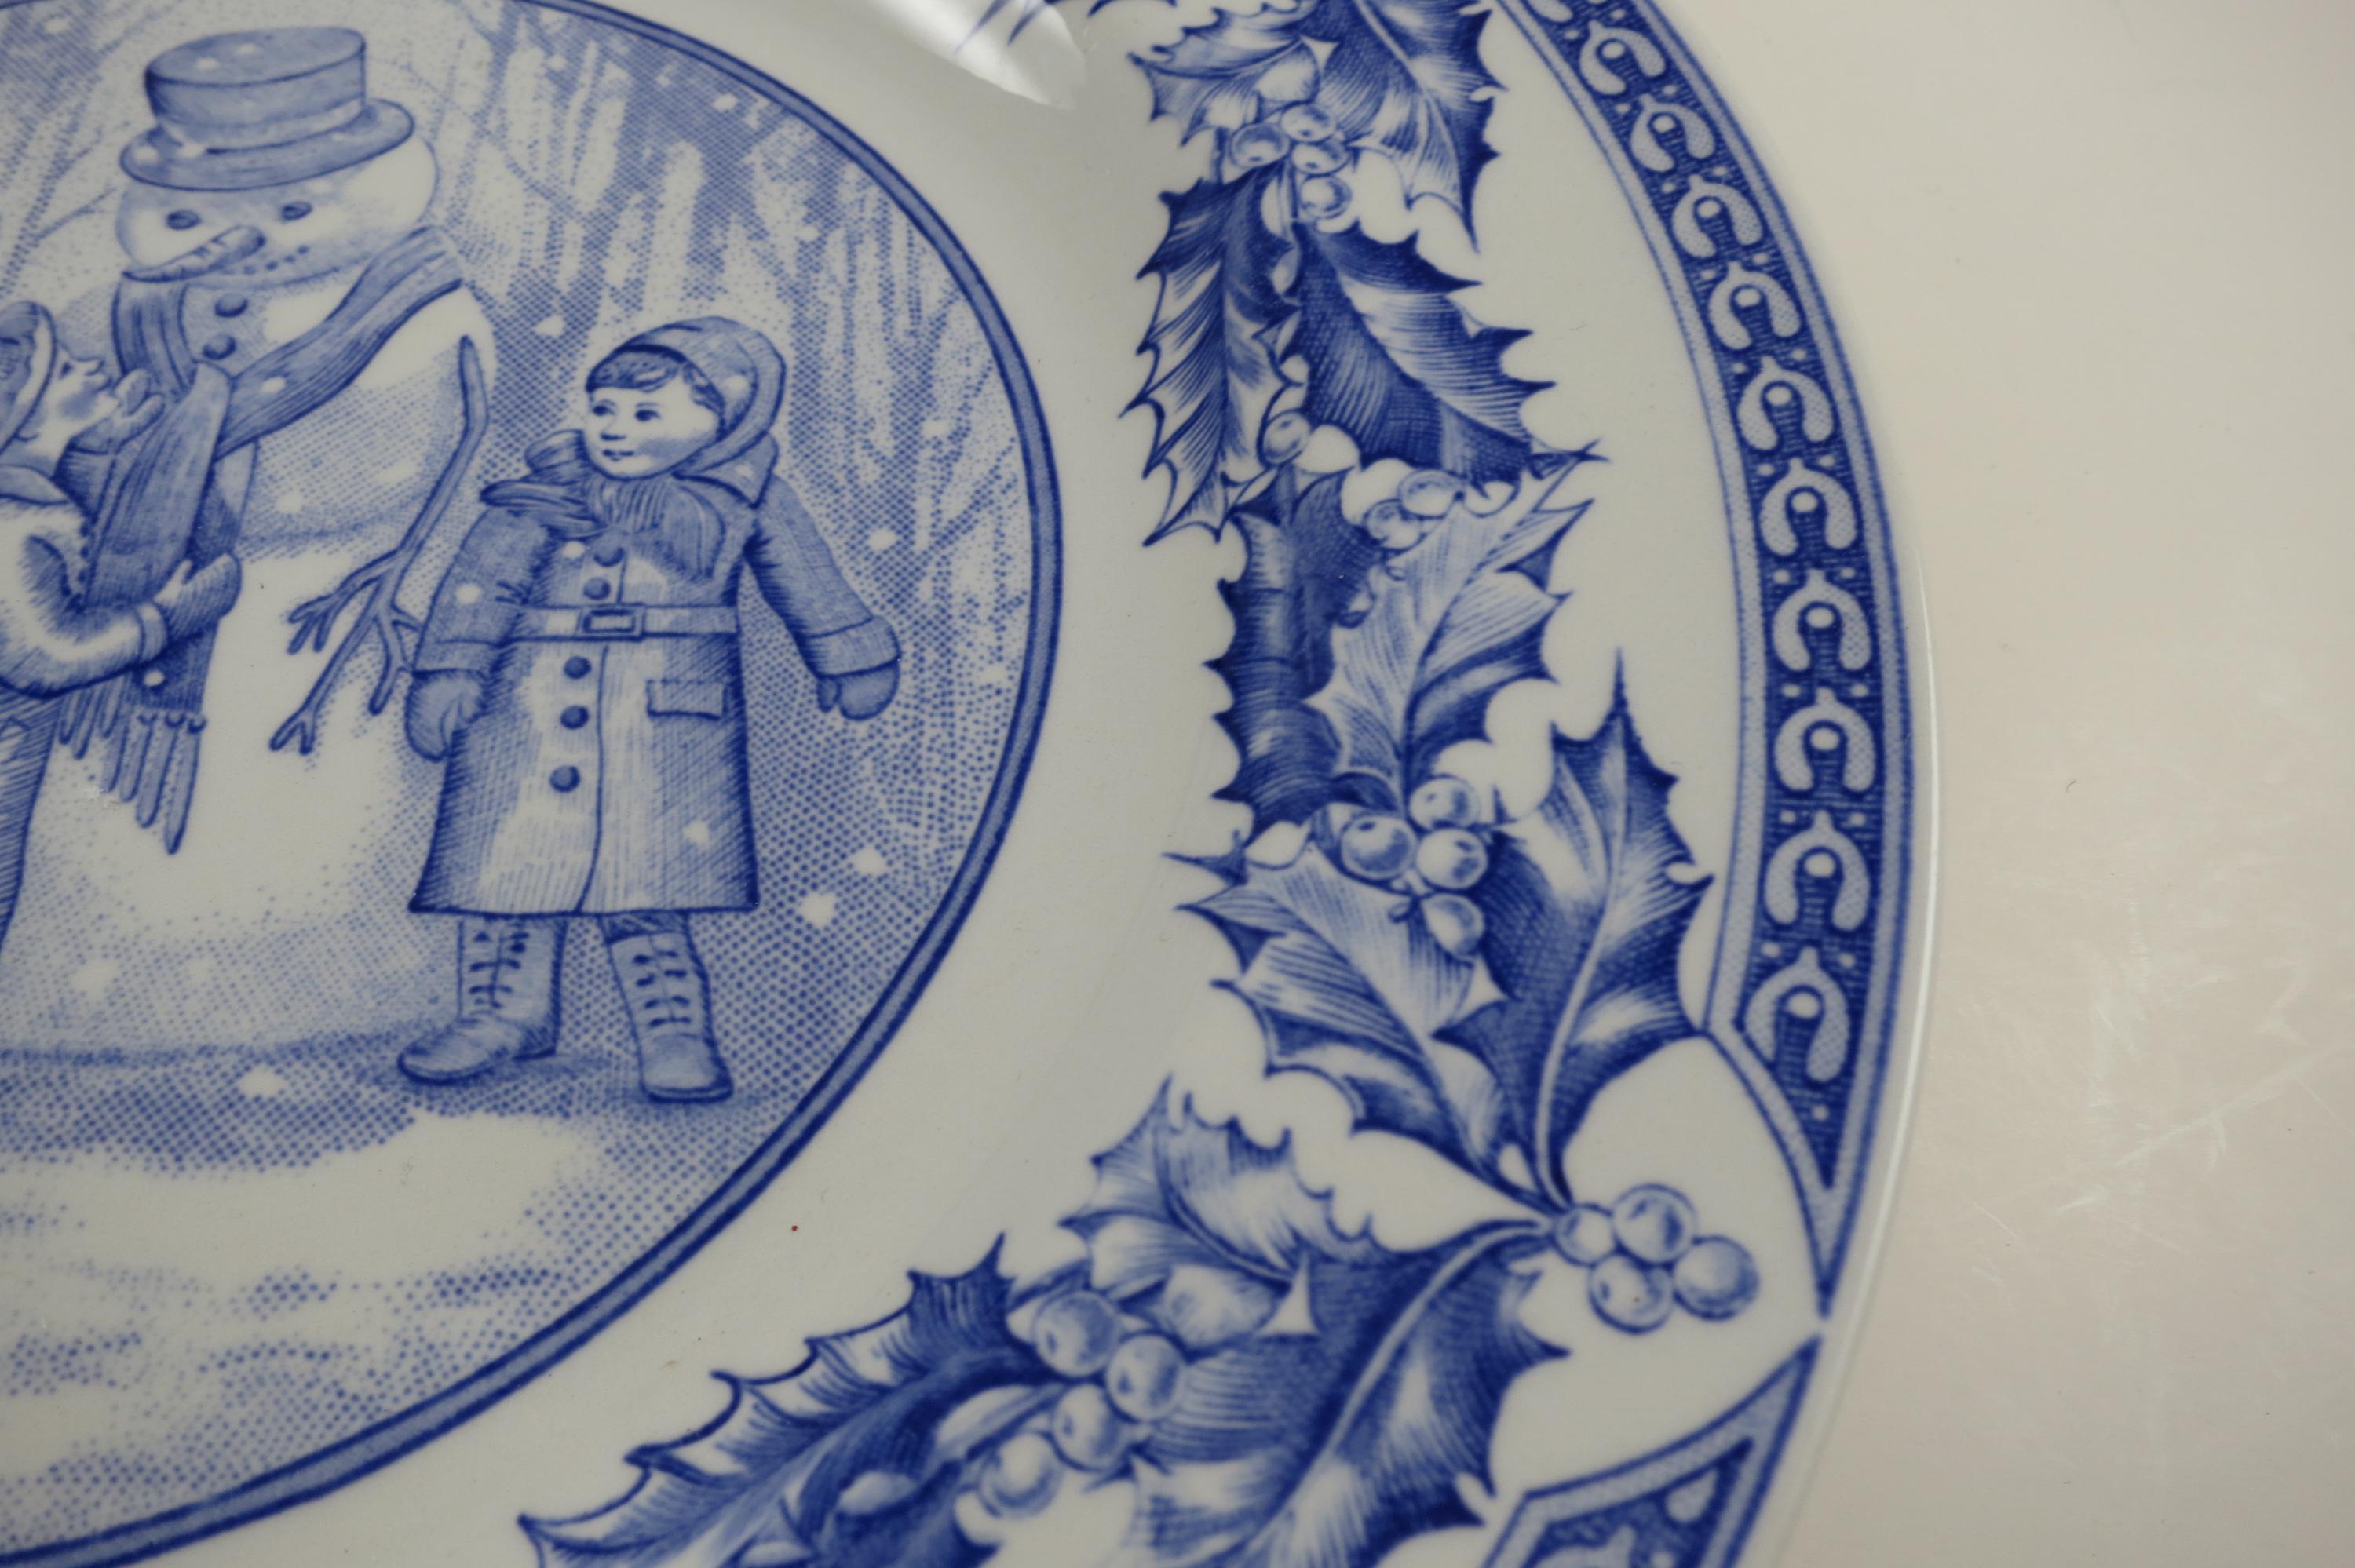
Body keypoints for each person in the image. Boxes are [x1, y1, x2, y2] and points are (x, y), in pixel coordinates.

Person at [398, 317, 900, 1102]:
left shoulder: (743, 498)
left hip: (663, 712)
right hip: (526, 703)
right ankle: (500, 1013)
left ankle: (674, 1035)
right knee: (510, 869)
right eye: (603, 409)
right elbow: (480, 582)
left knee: (644, 881)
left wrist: (848, 651)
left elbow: (806, 578)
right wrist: (452, 668)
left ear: (722, 422)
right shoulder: (546, 489)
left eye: (645, 413)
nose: (615, 428)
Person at [0, 301, 241, 951]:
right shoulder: (12, 527)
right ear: (26, 418)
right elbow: (44, 656)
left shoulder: (20, 493)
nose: (88, 364)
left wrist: (95, 443)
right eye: (64, 371)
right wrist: (171, 616)